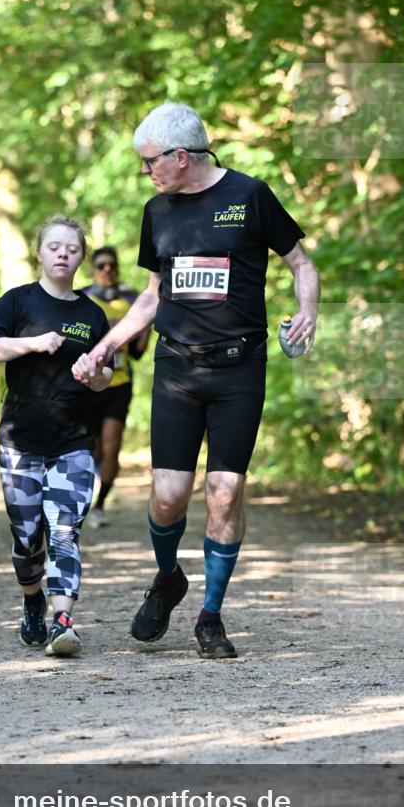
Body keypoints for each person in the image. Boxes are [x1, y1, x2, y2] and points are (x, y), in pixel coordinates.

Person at [75, 102, 320, 660]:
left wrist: (308, 312)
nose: (146, 172)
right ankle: (168, 577)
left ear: (181, 156)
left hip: (239, 368)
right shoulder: (156, 212)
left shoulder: (250, 196)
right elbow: (153, 294)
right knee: (167, 498)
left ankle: (210, 615)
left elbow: (301, 264)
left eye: (149, 162)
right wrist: (107, 344)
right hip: (177, 369)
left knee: (225, 492)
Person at [0, 215, 113, 657]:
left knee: (65, 532)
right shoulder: (17, 303)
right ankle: (32, 599)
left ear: (81, 258)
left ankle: (63, 622)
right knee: (26, 537)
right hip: (20, 440)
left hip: (72, 440)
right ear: (40, 252)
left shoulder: (92, 314)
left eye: (71, 249)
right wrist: (32, 343)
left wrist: (96, 375)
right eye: (54, 246)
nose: (62, 254)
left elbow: (108, 372)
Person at [83, 246, 151, 526]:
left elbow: (136, 352)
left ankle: (99, 506)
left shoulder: (132, 299)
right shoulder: (82, 298)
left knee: (111, 448)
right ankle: (83, 500)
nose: (107, 270)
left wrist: (146, 328)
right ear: (93, 270)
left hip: (119, 384)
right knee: (92, 450)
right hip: (87, 385)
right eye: (101, 265)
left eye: (111, 265)